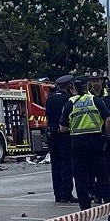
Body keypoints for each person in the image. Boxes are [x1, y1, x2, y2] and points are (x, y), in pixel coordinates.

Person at [59, 75, 110, 221]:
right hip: (95, 141)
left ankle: (85, 211)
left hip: (77, 143)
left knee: (80, 177)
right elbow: (109, 120)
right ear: (87, 86)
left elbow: (63, 128)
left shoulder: (70, 103)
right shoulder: (95, 101)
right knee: (102, 177)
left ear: (74, 88)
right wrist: (106, 136)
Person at [45, 75, 77, 203]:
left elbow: (47, 115)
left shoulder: (51, 98)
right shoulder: (68, 100)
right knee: (66, 164)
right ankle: (66, 194)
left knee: (55, 164)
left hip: (51, 134)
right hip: (64, 134)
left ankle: (57, 193)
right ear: (69, 86)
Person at [87, 71, 108, 204]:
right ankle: (92, 189)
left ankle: (102, 191)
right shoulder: (87, 97)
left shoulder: (107, 95)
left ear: (102, 81)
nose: (96, 83)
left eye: (98, 81)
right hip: (91, 135)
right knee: (90, 166)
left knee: (104, 166)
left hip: (104, 134)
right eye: (93, 81)